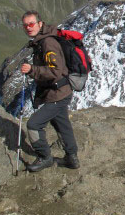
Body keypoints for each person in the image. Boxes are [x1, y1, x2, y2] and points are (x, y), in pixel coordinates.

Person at [20, 10, 80, 172]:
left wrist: (32, 69)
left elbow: (55, 71)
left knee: (33, 125)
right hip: (61, 91)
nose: (28, 27)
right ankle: (71, 158)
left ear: (40, 24)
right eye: (25, 25)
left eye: (31, 24)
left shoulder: (47, 43)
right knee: (62, 124)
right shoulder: (42, 40)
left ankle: (44, 157)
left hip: (57, 93)